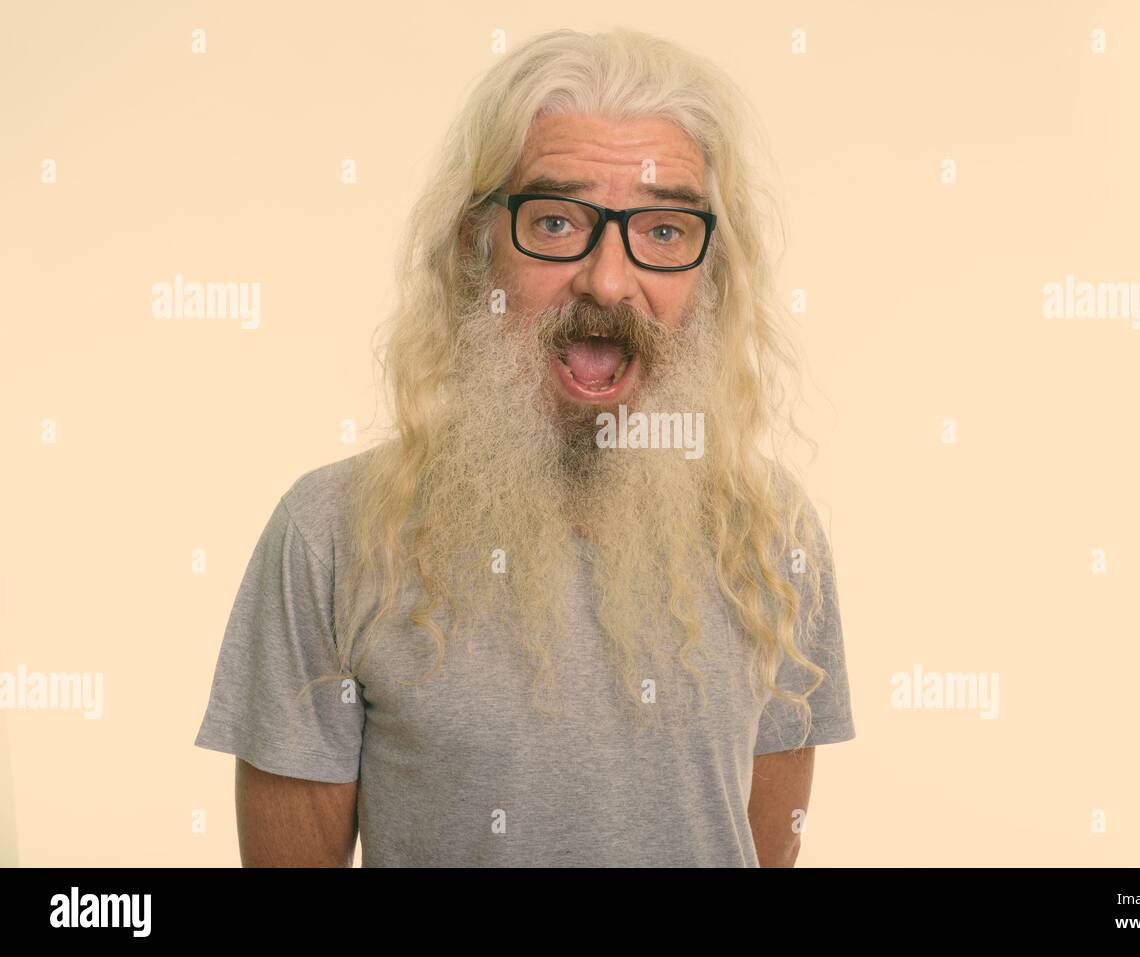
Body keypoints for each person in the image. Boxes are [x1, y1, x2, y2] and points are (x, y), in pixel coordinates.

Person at [194, 26, 855, 867]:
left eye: (661, 230)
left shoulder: (772, 535)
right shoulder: (329, 534)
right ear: (477, 247)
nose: (608, 280)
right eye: (555, 220)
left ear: (710, 271)